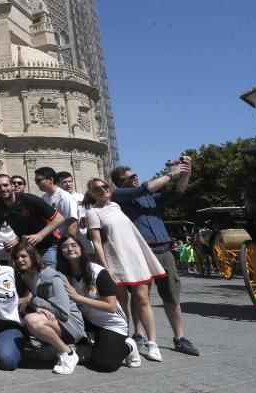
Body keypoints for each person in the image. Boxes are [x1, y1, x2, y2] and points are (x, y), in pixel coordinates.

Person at [110, 159, 200, 357]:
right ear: (121, 182)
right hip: (141, 252)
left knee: (171, 295)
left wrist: (185, 173)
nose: (136, 178)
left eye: (136, 175)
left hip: (164, 251)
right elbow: (143, 188)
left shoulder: (149, 198)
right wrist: (171, 173)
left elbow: (178, 192)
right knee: (140, 297)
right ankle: (139, 335)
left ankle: (180, 338)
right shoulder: (118, 195)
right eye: (130, 177)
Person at [85, 177, 167, 361]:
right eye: (97, 189)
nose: (103, 190)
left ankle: (152, 343)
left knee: (143, 299)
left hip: (135, 257)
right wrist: (106, 268)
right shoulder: (93, 212)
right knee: (121, 304)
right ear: (91, 193)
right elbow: (97, 243)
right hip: (115, 260)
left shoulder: (116, 206)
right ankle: (125, 340)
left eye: (105, 187)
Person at [56, 234, 141, 372]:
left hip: (111, 324)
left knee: (104, 364)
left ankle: (129, 346)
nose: (70, 249)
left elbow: (111, 307)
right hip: (88, 322)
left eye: (73, 245)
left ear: (81, 249)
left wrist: (77, 297)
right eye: (64, 247)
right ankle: (92, 344)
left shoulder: (98, 272)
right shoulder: (63, 274)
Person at [11, 241, 84, 375]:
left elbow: (63, 313)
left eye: (23, 256)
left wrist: (33, 300)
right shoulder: (25, 276)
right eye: (16, 258)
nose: (20, 260)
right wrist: (33, 303)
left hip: (71, 324)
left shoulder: (51, 278)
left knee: (32, 320)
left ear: (33, 256)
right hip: (53, 319)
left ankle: (68, 353)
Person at [0, 173, 64, 265]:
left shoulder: (29, 199)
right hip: (28, 248)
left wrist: (39, 236)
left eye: (5, 185)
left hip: (48, 245)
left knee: (49, 276)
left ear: (12, 186)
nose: (3, 189)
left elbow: (59, 218)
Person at [36, 167, 79, 241]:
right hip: (48, 240)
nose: (37, 183)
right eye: (36, 181)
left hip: (61, 241)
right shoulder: (44, 198)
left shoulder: (64, 197)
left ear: (51, 180)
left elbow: (73, 222)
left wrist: (68, 243)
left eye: (39, 180)